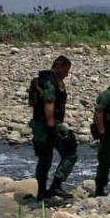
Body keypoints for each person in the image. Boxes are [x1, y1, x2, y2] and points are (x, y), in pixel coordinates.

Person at [28, 55, 78, 200]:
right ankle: (56, 185)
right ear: (59, 66)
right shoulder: (50, 83)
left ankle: (42, 191)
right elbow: (48, 104)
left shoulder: (39, 81)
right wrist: (51, 126)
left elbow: (32, 103)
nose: (67, 74)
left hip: (38, 124)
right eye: (66, 70)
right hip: (48, 124)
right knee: (71, 151)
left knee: (45, 157)